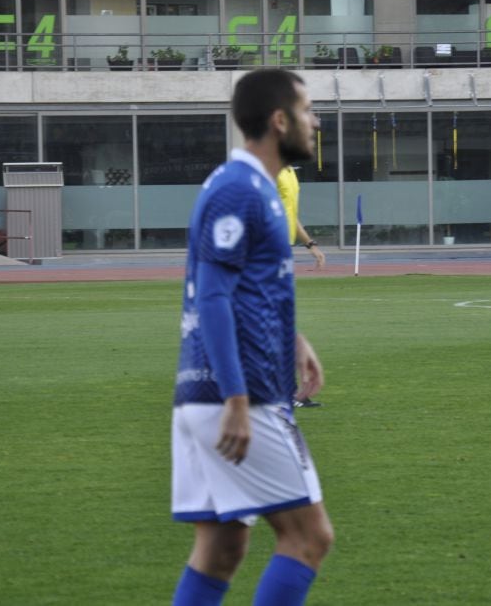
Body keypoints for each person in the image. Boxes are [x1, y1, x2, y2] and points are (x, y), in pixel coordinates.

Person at [171, 69, 333, 606]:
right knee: (308, 537)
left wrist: (294, 338)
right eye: (307, 111)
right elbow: (213, 296)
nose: (315, 123)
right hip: (242, 394)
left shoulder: (256, 188)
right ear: (279, 120)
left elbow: (247, 288)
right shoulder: (240, 189)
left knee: (221, 547)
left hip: (209, 393)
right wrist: (237, 399)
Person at [277, 165, 326, 407]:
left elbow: (290, 214)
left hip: (282, 253)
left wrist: (310, 245)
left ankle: (289, 391)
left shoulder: (289, 172)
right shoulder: (267, 170)